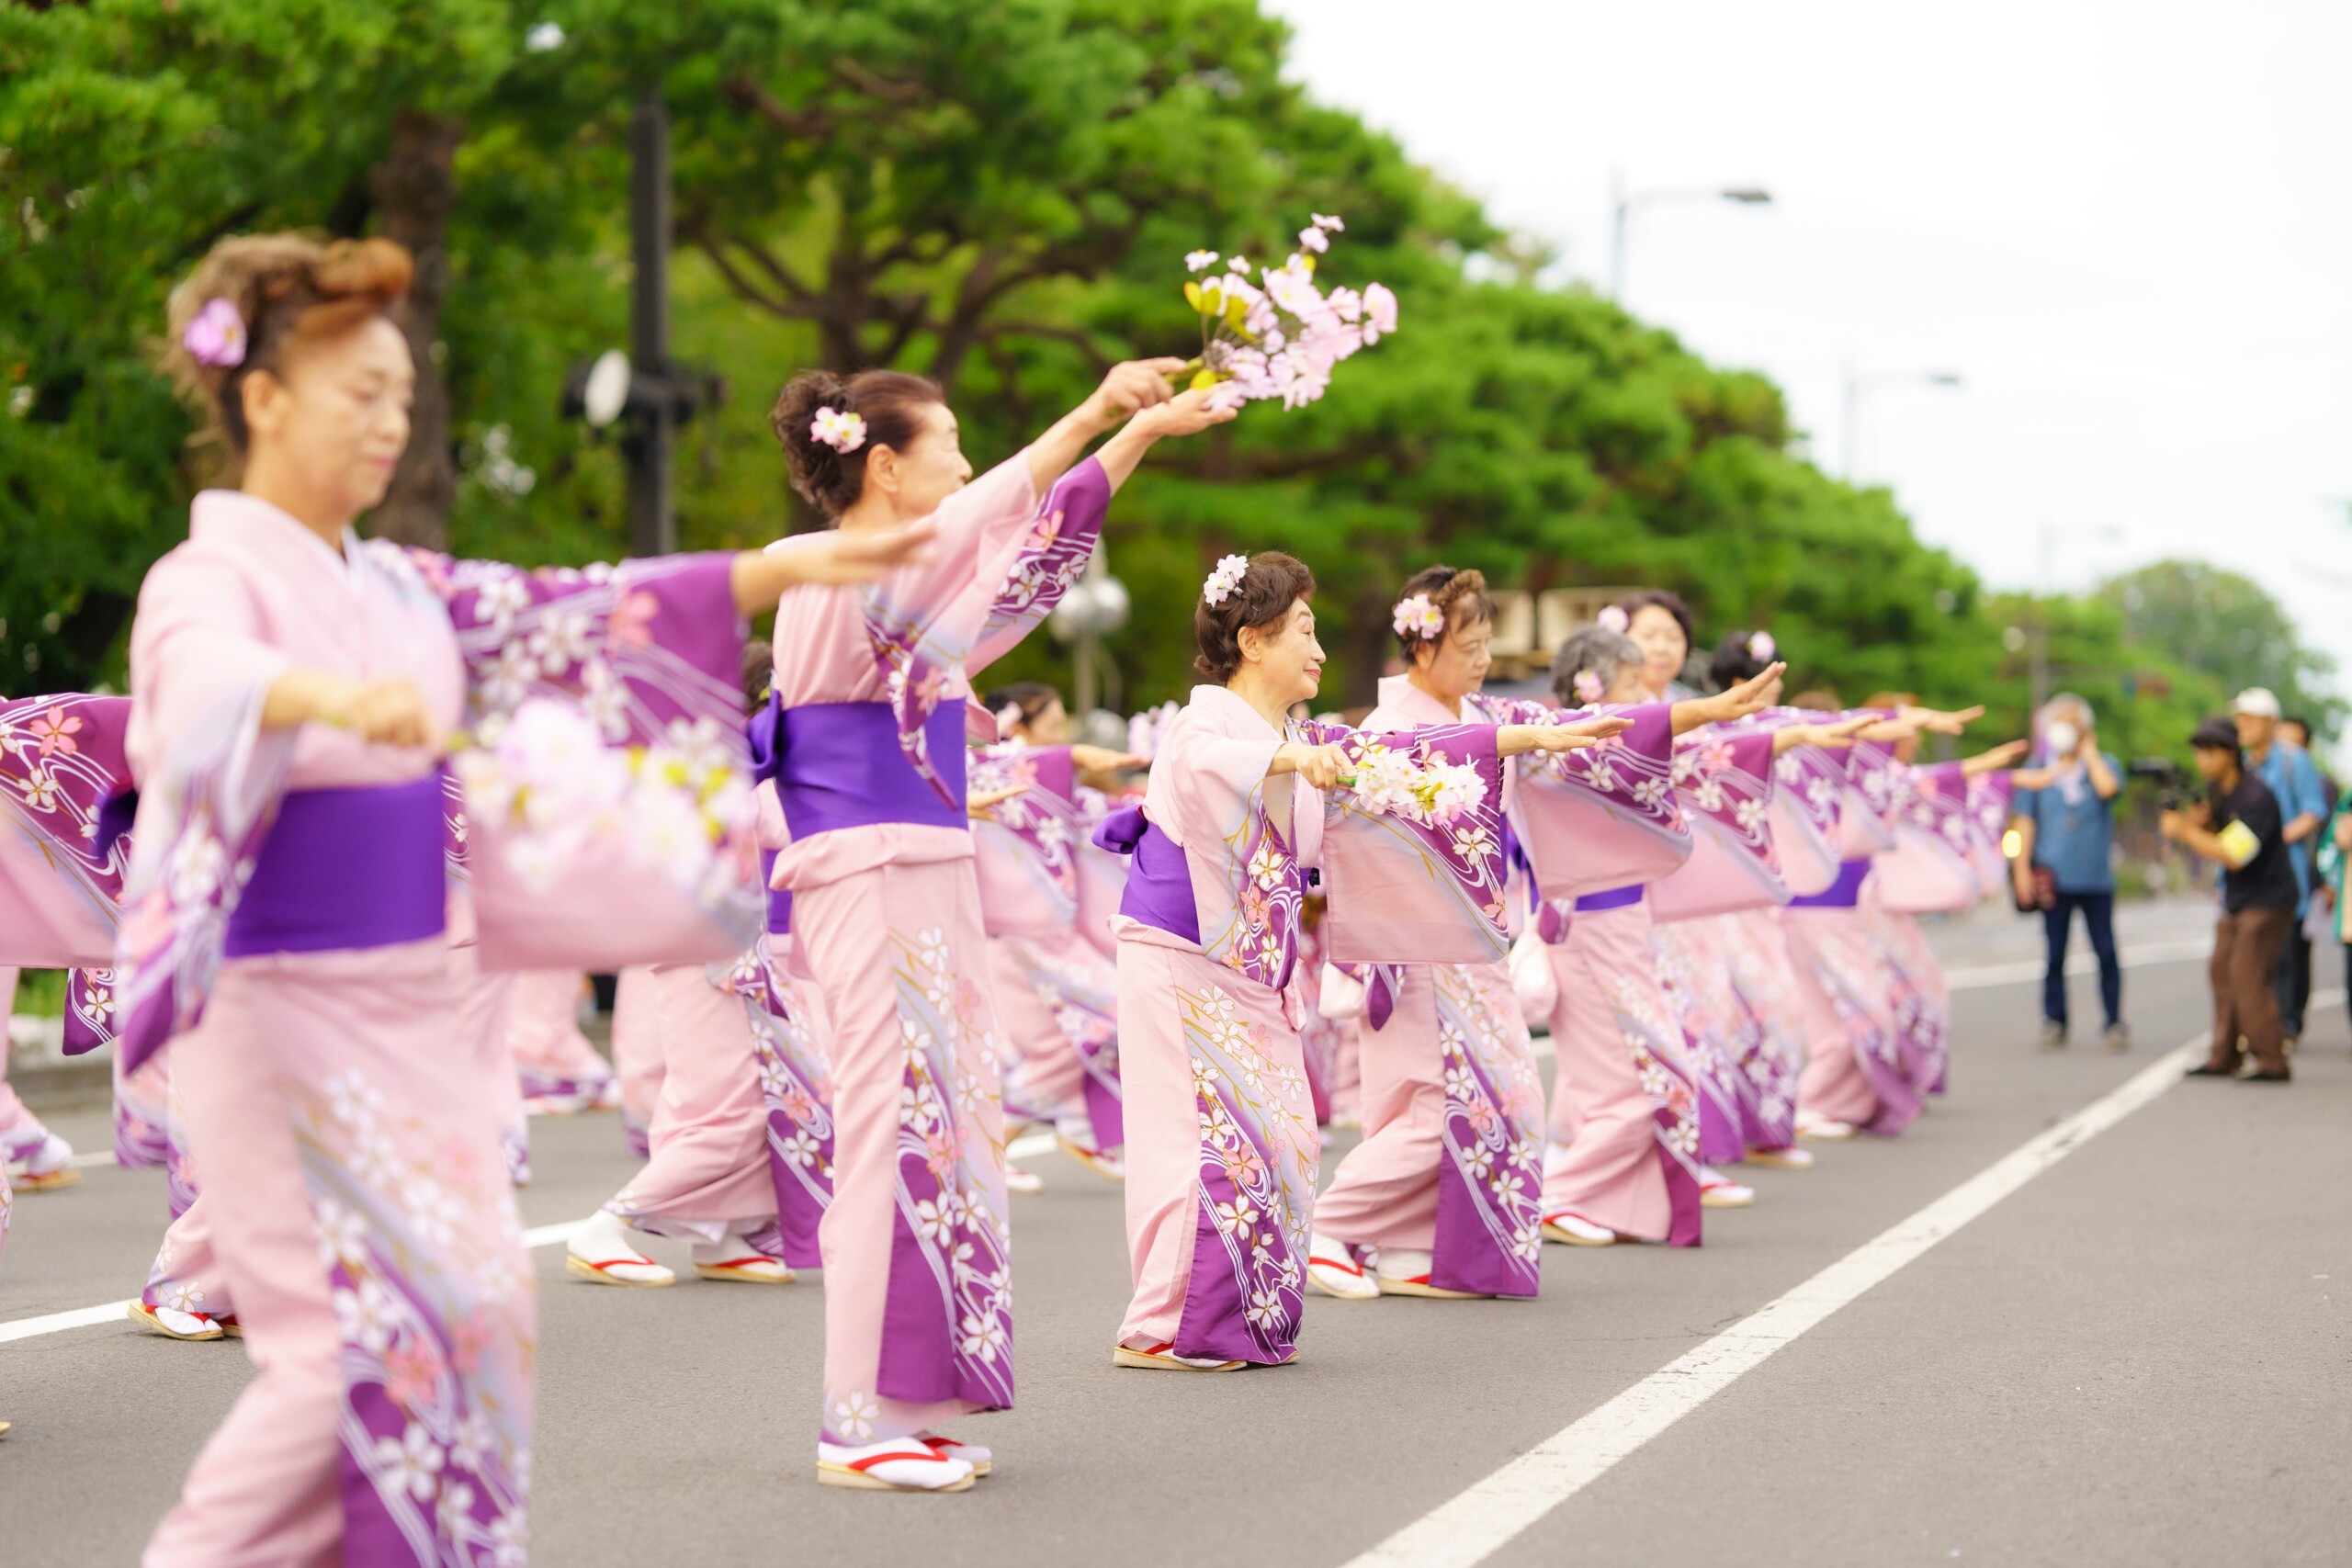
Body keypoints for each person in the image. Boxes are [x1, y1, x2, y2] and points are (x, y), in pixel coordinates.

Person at [106, 231, 931, 1562]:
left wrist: (767, 574)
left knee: (469, 1322)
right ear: (261, 401)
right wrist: (308, 693)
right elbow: (198, 680)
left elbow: (561, 608)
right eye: (357, 395)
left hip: (403, 1005)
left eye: (402, 397)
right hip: (272, 1007)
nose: (389, 422)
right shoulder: (209, 579)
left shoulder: (393, 581)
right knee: (347, 1355)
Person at [763, 355, 1229, 1489]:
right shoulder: (830, 571)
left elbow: (1028, 553)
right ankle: (849, 1416)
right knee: (885, 1123)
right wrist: (1090, 410)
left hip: (917, 866)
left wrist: (1138, 437)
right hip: (865, 869)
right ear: (884, 466)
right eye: (950, 442)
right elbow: (988, 517)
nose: (967, 464)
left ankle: (902, 1398)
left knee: (945, 1122)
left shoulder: (909, 597)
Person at [1094, 552, 1611, 1358]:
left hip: (1252, 964)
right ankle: (1163, 1323)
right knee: (1205, 1139)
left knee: (1286, 1136)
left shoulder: (1306, 736)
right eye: (1304, 628)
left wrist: (1527, 734)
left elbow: (1409, 756)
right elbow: (1200, 768)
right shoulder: (1206, 723)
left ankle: (1235, 1318)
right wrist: (1289, 760)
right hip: (1180, 951)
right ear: (1252, 638)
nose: (1321, 648)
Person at [2168, 716, 2298, 1082]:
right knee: (2221, 969)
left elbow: (2234, 854)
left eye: (2211, 752)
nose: (2203, 760)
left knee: (2247, 974)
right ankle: (2224, 1055)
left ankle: (2272, 1059)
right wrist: (2201, 824)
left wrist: (2186, 831)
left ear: (2231, 753)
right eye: (2199, 752)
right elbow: (2220, 835)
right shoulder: (2219, 790)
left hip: (2270, 898)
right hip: (2239, 897)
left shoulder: (2256, 795)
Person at [2008, 694, 2125, 1051]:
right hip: (2054, 878)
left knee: (2105, 952)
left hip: (2095, 878)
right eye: (2058, 722)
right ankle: (2054, 1020)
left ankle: (2113, 1021)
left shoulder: (2103, 765)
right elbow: (2024, 823)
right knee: (2055, 954)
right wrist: (2021, 871)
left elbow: (2109, 789)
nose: (2063, 730)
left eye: (2071, 722)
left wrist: (2089, 755)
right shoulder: (2038, 768)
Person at [2234, 690, 2328, 1051]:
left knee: (2287, 955)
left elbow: (2313, 810)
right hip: (2245, 874)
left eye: (2251, 719)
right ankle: (2255, 1025)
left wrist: (2274, 836)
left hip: (2283, 873)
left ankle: (2286, 1026)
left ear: (2270, 724)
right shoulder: (2240, 763)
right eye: (2240, 718)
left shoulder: (2294, 761)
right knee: (2248, 957)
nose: (2243, 726)